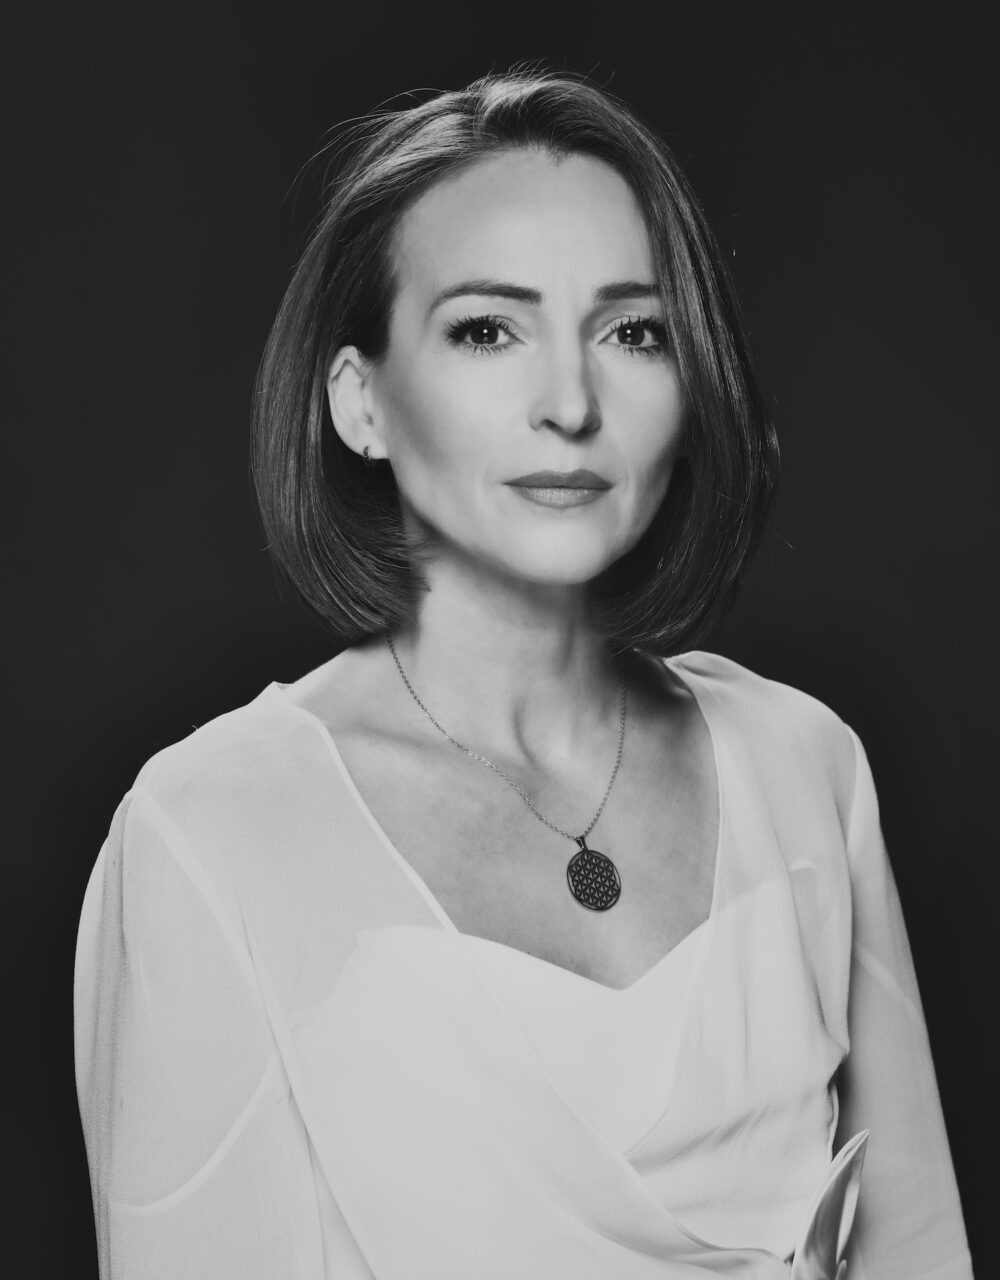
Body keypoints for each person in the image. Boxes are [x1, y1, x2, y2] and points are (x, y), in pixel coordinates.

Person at [73, 69, 973, 1279]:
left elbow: (920, 1249)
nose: (570, 404)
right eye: (487, 329)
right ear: (360, 402)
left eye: (632, 330)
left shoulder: (803, 760)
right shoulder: (208, 831)